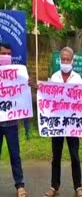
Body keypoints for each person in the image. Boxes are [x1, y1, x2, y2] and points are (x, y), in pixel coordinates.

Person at [44, 47, 82, 197]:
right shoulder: (54, 77)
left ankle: (78, 187)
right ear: (59, 60)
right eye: (63, 59)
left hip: (72, 124)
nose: (65, 62)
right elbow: (47, 99)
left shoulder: (78, 78)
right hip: (57, 123)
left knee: (74, 155)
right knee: (56, 156)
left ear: (72, 61)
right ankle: (54, 187)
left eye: (68, 59)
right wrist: (40, 90)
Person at [0, 42, 29, 197]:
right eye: (3, 53)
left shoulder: (18, 73)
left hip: (11, 123)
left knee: (15, 155)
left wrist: (27, 85)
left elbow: (22, 93)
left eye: (8, 54)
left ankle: (20, 186)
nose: (6, 56)